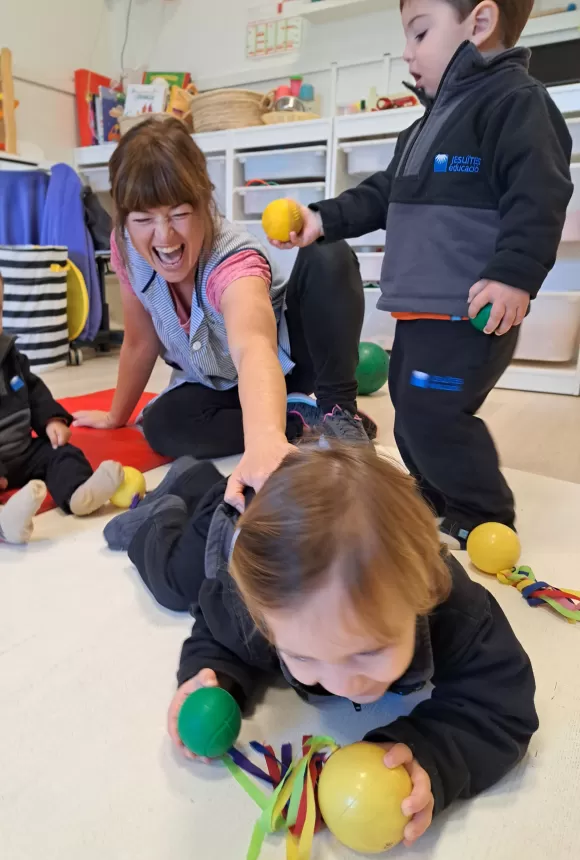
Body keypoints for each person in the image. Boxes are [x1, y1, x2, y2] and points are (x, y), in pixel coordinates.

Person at [270, 0, 573, 547]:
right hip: (418, 314)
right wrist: (322, 219)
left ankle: (483, 510)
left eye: (420, 33)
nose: (407, 53)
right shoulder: (424, 126)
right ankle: (435, 490)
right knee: (410, 415)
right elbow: (381, 195)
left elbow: (541, 194)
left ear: (478, 24)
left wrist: (515, 275)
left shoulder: (515, 103)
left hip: (468, 312)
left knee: (436, 414)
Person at [162, 444, 538, 846]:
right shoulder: (262, 605)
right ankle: (169, 502)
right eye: (304, 656)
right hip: (228, 511)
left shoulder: (454, 608)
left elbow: (502, 707)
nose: (343, 685)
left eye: (368, 651)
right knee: (170, 582)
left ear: (423, 593)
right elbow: (215, 630)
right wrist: (214, 675)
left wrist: (433, 755)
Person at [73, 117, 371, 512]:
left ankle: (336, 415)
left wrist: (264, 441)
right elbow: (140, 340)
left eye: (179, 213)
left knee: (328, 254)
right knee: (163, 426)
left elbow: (253, 347)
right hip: (217, 381)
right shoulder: (126, 246)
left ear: (204, 202)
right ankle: (296, 420)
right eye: (144, 219)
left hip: (285, 360)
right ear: (125, 219)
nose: (164, 238)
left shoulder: (232, 258)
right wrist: (115, 416)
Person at [0, 276, 123, 544]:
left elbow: (34, 393)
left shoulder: (10, 357)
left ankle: (78, 493)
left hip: (22, 450)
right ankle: (6, 523)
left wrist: (51, 421)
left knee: (62, 453)